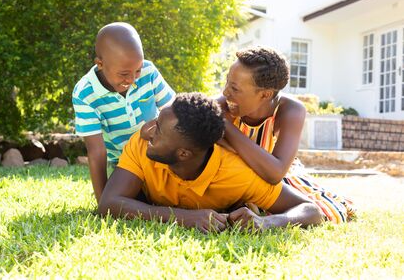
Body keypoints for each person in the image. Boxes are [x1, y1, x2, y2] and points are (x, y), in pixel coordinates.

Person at [99, 93, 324, 233]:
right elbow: (109, 202)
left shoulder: (237, 172)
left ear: (184, 153)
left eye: (158, 129)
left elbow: (311, 211)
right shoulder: (141, 144)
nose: (147, 131)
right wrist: (183, 218)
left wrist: (266, 223)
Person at [219, 46, 355, 223]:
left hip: (282, 176)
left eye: (235, 88)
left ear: (265, 94)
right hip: (239, 173)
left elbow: (276, 172)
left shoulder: (289, 110)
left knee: (329, 213)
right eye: (227, 82)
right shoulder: (224, 105)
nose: (225, 92)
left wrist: (226, 127)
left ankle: (267, 219)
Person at [72, 22, 175, 203]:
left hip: (159, 155)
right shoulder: (84, 94)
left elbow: (174, 111)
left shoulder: (148, 72)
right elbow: (97, 152)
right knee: (130, 202)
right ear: (100, 64)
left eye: (137, 70)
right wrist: (103, 201)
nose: (133, 79)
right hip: (126, 166)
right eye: (124, 74)